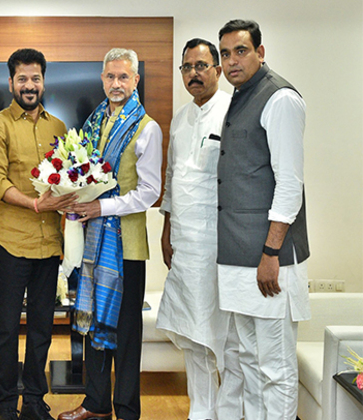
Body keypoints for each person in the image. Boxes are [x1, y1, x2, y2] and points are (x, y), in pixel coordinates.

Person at [58, 48, 162, 420]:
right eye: (110, 77)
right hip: (93, 241)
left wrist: (100, 207)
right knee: (94, 323)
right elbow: (82, 171)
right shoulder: (95, 121)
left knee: (127, 334)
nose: (116, 84)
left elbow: (150, 193)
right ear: (102, 80)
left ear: (136, 80)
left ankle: (127, 410)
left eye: (124, 77)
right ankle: (96, 405)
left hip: (127, 247)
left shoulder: (146, 127)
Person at [217, 19, 310, 420]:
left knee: (276, 366)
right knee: (250, 362)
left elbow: (289, 185)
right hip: (238, 258)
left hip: (266, 259)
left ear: (260, 52)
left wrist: (271, 252)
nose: (231, 61)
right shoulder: (239, 96)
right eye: (225, 54)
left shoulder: (280, 98)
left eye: (241, 50)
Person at [0, 48, 77, 420]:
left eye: (35, 78)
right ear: (11, 83)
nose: (29, 85)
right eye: (22, 78)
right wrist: (36, 205)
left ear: (43, 81)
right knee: (5, 329)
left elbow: (69, 175)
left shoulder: (58, 128)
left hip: (49, 243)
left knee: (41, 328)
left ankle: (35, 401)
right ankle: (6, 404)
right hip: (13, 242)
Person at [155, 38, 244, 420]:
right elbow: (173, 178)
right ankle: (201, 410)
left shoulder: (232, 112)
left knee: (223, 339)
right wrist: (166, 227)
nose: (194, 74)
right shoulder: (179, 119)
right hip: (184, 244)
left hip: (218, 246)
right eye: (187, 67)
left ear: (218, 70)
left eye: (202, 66)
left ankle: (229, 412)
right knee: (192, 335)